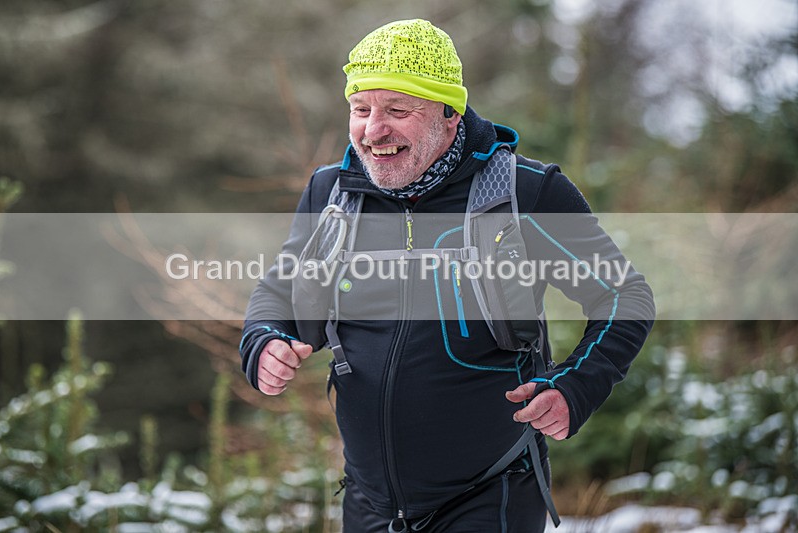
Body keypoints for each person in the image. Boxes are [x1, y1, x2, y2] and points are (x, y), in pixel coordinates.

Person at [240, 19, 655, 532]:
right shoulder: (332, 194)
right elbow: (279, 290)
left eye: (397, 110)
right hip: (369, 504)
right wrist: (263, 341)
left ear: (449, 114)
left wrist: (578, 386)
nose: (373, 130)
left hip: (491, 493)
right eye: (361, 109)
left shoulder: (527, 194)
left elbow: (622, 294)